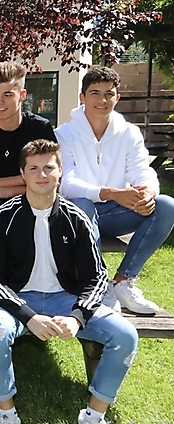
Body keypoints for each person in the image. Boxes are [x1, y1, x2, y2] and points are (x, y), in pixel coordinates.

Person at [0, 139, 139, 424]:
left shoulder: (76, 217)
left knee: (125, 335)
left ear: (60, 171)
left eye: (48, 167)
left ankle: (93, 418)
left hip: (65, 299)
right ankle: (7, 415)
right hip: (18, 300)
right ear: (22, 173)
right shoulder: (2, 217)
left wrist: (77, 317)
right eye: (33, 168)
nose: (41, 175)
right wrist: (28, 317)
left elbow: (97, 277)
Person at [55, 65, 174, 315]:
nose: (102, 100)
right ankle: (98, 283)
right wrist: (110, 193)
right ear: (82, 97)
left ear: (117, 98)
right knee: (82, 204)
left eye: (109, 94)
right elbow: (66, 184)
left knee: (166, 205)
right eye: (95, 93)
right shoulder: (64, 134)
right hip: (77, 215)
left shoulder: (129, 133)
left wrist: (148, 193)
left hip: (115, 214)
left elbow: (142, 170)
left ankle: (122, 282)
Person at [0, 61, 56, 240]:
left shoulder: (39, 128)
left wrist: (4, 191)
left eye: (7, 95)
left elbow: (49, 179)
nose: (0, 102)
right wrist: (25, 180)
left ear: (22, 95)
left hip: (31, 197)